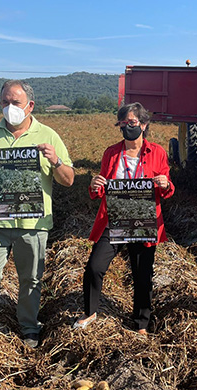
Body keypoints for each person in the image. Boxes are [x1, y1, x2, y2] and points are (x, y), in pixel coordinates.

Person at [0, 80, 74, 348]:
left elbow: (68, 179)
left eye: (16, 102)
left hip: (33, 223)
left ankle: (28, 325)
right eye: (5, 102)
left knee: (31, 278)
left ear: (30, 106)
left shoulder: (48, 135)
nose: (10, 107)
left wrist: (55, 161)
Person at [72, 102, 174, 335]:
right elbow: (100, 188)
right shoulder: (111, 152)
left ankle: (141, 323)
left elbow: (167, 188)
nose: (128, 127)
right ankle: (90, 312)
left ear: (144, 124)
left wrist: (165, 183)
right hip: (115, 220)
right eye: (124, 123)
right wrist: (95, 185)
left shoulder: (157, 152)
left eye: (133, 122)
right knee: (94, 267)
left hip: (144, 222)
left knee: (142, 275)